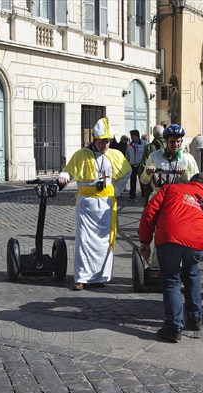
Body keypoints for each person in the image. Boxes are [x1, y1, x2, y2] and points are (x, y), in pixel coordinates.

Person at [138, 173, 203, 342]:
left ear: (190, 182)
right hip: (196, 243)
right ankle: (195, 318)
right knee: (192, 273)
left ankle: (174, 327)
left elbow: (149, 212)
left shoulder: (171, 188)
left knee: (172, 281)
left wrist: (145, 240)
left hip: (169, 238)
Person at [57, 117, 132, 290]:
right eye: (103, 141)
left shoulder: (115, 155)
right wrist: (64, 176)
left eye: (108, 141)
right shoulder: (81, 155)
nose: (106, 145)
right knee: (84, 240)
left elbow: (126, 173)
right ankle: (81, 277)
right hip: (87, 205)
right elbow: (69, 170)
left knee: (105, 241)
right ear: (94, 139)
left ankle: (100, 277)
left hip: (106, 204)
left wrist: (116, 190)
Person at [140, 124, 199, 201]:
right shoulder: (154, 156)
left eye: (178, 141)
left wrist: (184, 174)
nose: (175, 145)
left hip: (179, 199)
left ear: (182, 141)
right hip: (159, 199)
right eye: (172, 142)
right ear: (166, 141)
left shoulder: (188, 158)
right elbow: (143, 180)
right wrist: (147, 173)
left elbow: (196, 183)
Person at [138, 125, 166, 202]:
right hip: (167, 182)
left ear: (153, 134)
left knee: (150, 207)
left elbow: (143, 164)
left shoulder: (149, 147)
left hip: (152, 182)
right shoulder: (169, 145)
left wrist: (143, 183)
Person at [125, 129, 148, 200]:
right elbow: (127, 155)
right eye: (131, 135)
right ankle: (132, 195)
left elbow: (147, 154)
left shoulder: (144, 143)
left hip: (141, 165)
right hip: (132, 165)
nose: (131, 137)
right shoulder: (129, 145)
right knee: (132, 180)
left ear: (137, 136)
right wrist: (127, 163)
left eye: (132, 135)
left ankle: (144, 194)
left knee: (142, 179)